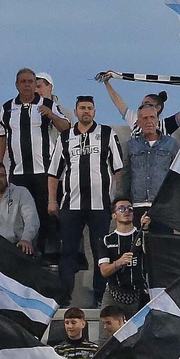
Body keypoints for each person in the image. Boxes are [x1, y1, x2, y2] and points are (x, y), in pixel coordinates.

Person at [53, 96, 126, 296]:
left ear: (95, 111)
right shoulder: (65, 137)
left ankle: (100, 295)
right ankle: (64, 296)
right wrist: (52, 200)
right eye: (82, 108)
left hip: (100, 205)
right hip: (71, 205)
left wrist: (118, 200)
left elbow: (119, 170)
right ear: (76, 111)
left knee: (100, 252)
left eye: (90, 108)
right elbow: (53, 173)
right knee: (68, 251)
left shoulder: (107, 134)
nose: (86, 111)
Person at [0, 68, 69, 232]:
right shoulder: (7, 107)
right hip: (18, 172)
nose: (27, 85)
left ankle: (47, 254)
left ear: (35, 85)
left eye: (30, 82)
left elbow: (66, 128)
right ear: (16, 85)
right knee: (19, 215)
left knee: (46, 214)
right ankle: (24, 253)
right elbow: (0, 136)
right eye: (23, 82)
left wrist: (52, 115)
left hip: (44, 171)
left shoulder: (48, 104)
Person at [97, 200, 148, 309]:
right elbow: (104, 271)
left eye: (130, 208)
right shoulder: (106, 240)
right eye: (121, 209)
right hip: (114, 294)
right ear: (114, 215)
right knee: (107, 325)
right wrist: (118, 263)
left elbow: (153, 256)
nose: (127, 211)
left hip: (139, 296)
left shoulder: (142, 236)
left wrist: (146, 229)